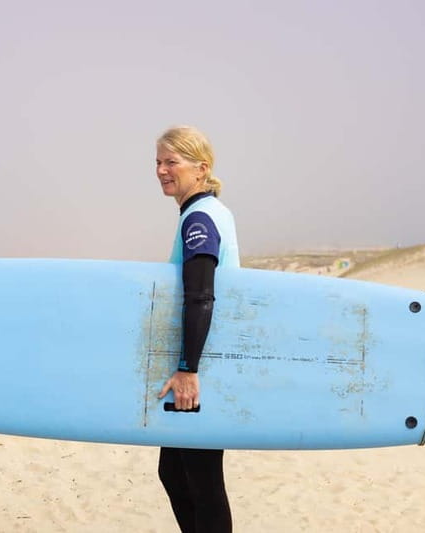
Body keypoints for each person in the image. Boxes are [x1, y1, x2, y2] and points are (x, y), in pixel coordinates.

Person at [155, 126, 239, 533]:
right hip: (201, 361)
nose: (161, 170)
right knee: (175, 471)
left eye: (171, 161)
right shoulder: (205, 212)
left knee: (202, 481)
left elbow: (200, 295)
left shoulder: (200, 218)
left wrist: (188, 369)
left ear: (201, 168)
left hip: (200, 367)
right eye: (158, 162)